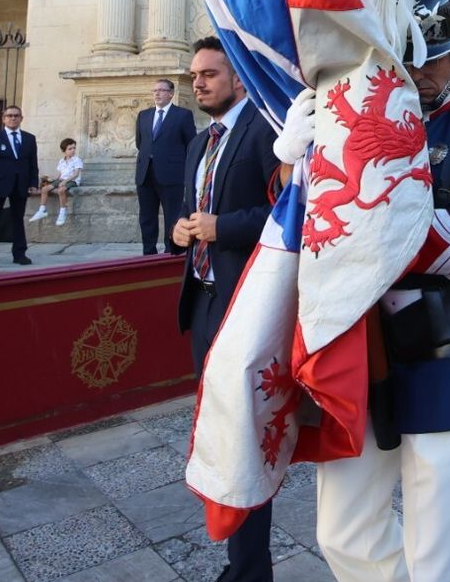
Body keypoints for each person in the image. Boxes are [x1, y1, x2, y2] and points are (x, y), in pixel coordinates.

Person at [315, 0, 450, 581]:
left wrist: (385, 233)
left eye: (432, 58)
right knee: (342, 528)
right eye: (406, 58)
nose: (418, 73)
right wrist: (293, 167)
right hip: (358, 342)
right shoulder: (354, 115)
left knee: (436, 543)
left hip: (440, 342)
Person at [172, 37, 279, 580]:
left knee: (244, 439)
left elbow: (290, 212)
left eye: (209, 74)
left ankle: (251, 568)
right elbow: (194, 212)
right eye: (194, 75)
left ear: (238, 79)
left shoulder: (264, 132)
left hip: (246, 305)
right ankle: (239, 560)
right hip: (205, 303)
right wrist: (181, 232)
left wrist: (224, 228)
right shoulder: (198, 143)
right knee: (218, 437)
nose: (198, 83)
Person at [136, 79, 196, 256]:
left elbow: (191, 144)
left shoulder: (183, 115)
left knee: (172, 216)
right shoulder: (143, 115)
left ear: (171, 93)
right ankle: (149, 253)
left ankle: (171, 252)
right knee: (147, 217)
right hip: (145, 174)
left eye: (162, 90)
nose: (157, 93)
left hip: (172, 175)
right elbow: (141, 143)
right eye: (154, 90)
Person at [0, 105, 40, 270]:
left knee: (17, 220)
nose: (13, 118)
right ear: (3, 118)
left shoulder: (29, 138)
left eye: (16, 115)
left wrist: (34, 183)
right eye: (10, 115)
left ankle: (19, 253)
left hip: (20, 185)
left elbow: (33, 164)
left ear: (21, 118)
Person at [31, 138, 84, 226]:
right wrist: (52, 180)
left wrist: (65, 181)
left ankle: (62, 212)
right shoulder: (61, 161)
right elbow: (60, 175)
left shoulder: (77, 160)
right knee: (44, 189)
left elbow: (76, 174)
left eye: (74, 148)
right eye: (70, 149)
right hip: (62, 179)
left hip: (72, 180)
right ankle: (42, 210)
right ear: (64, 151)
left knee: (61, 190)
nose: (73, 150)